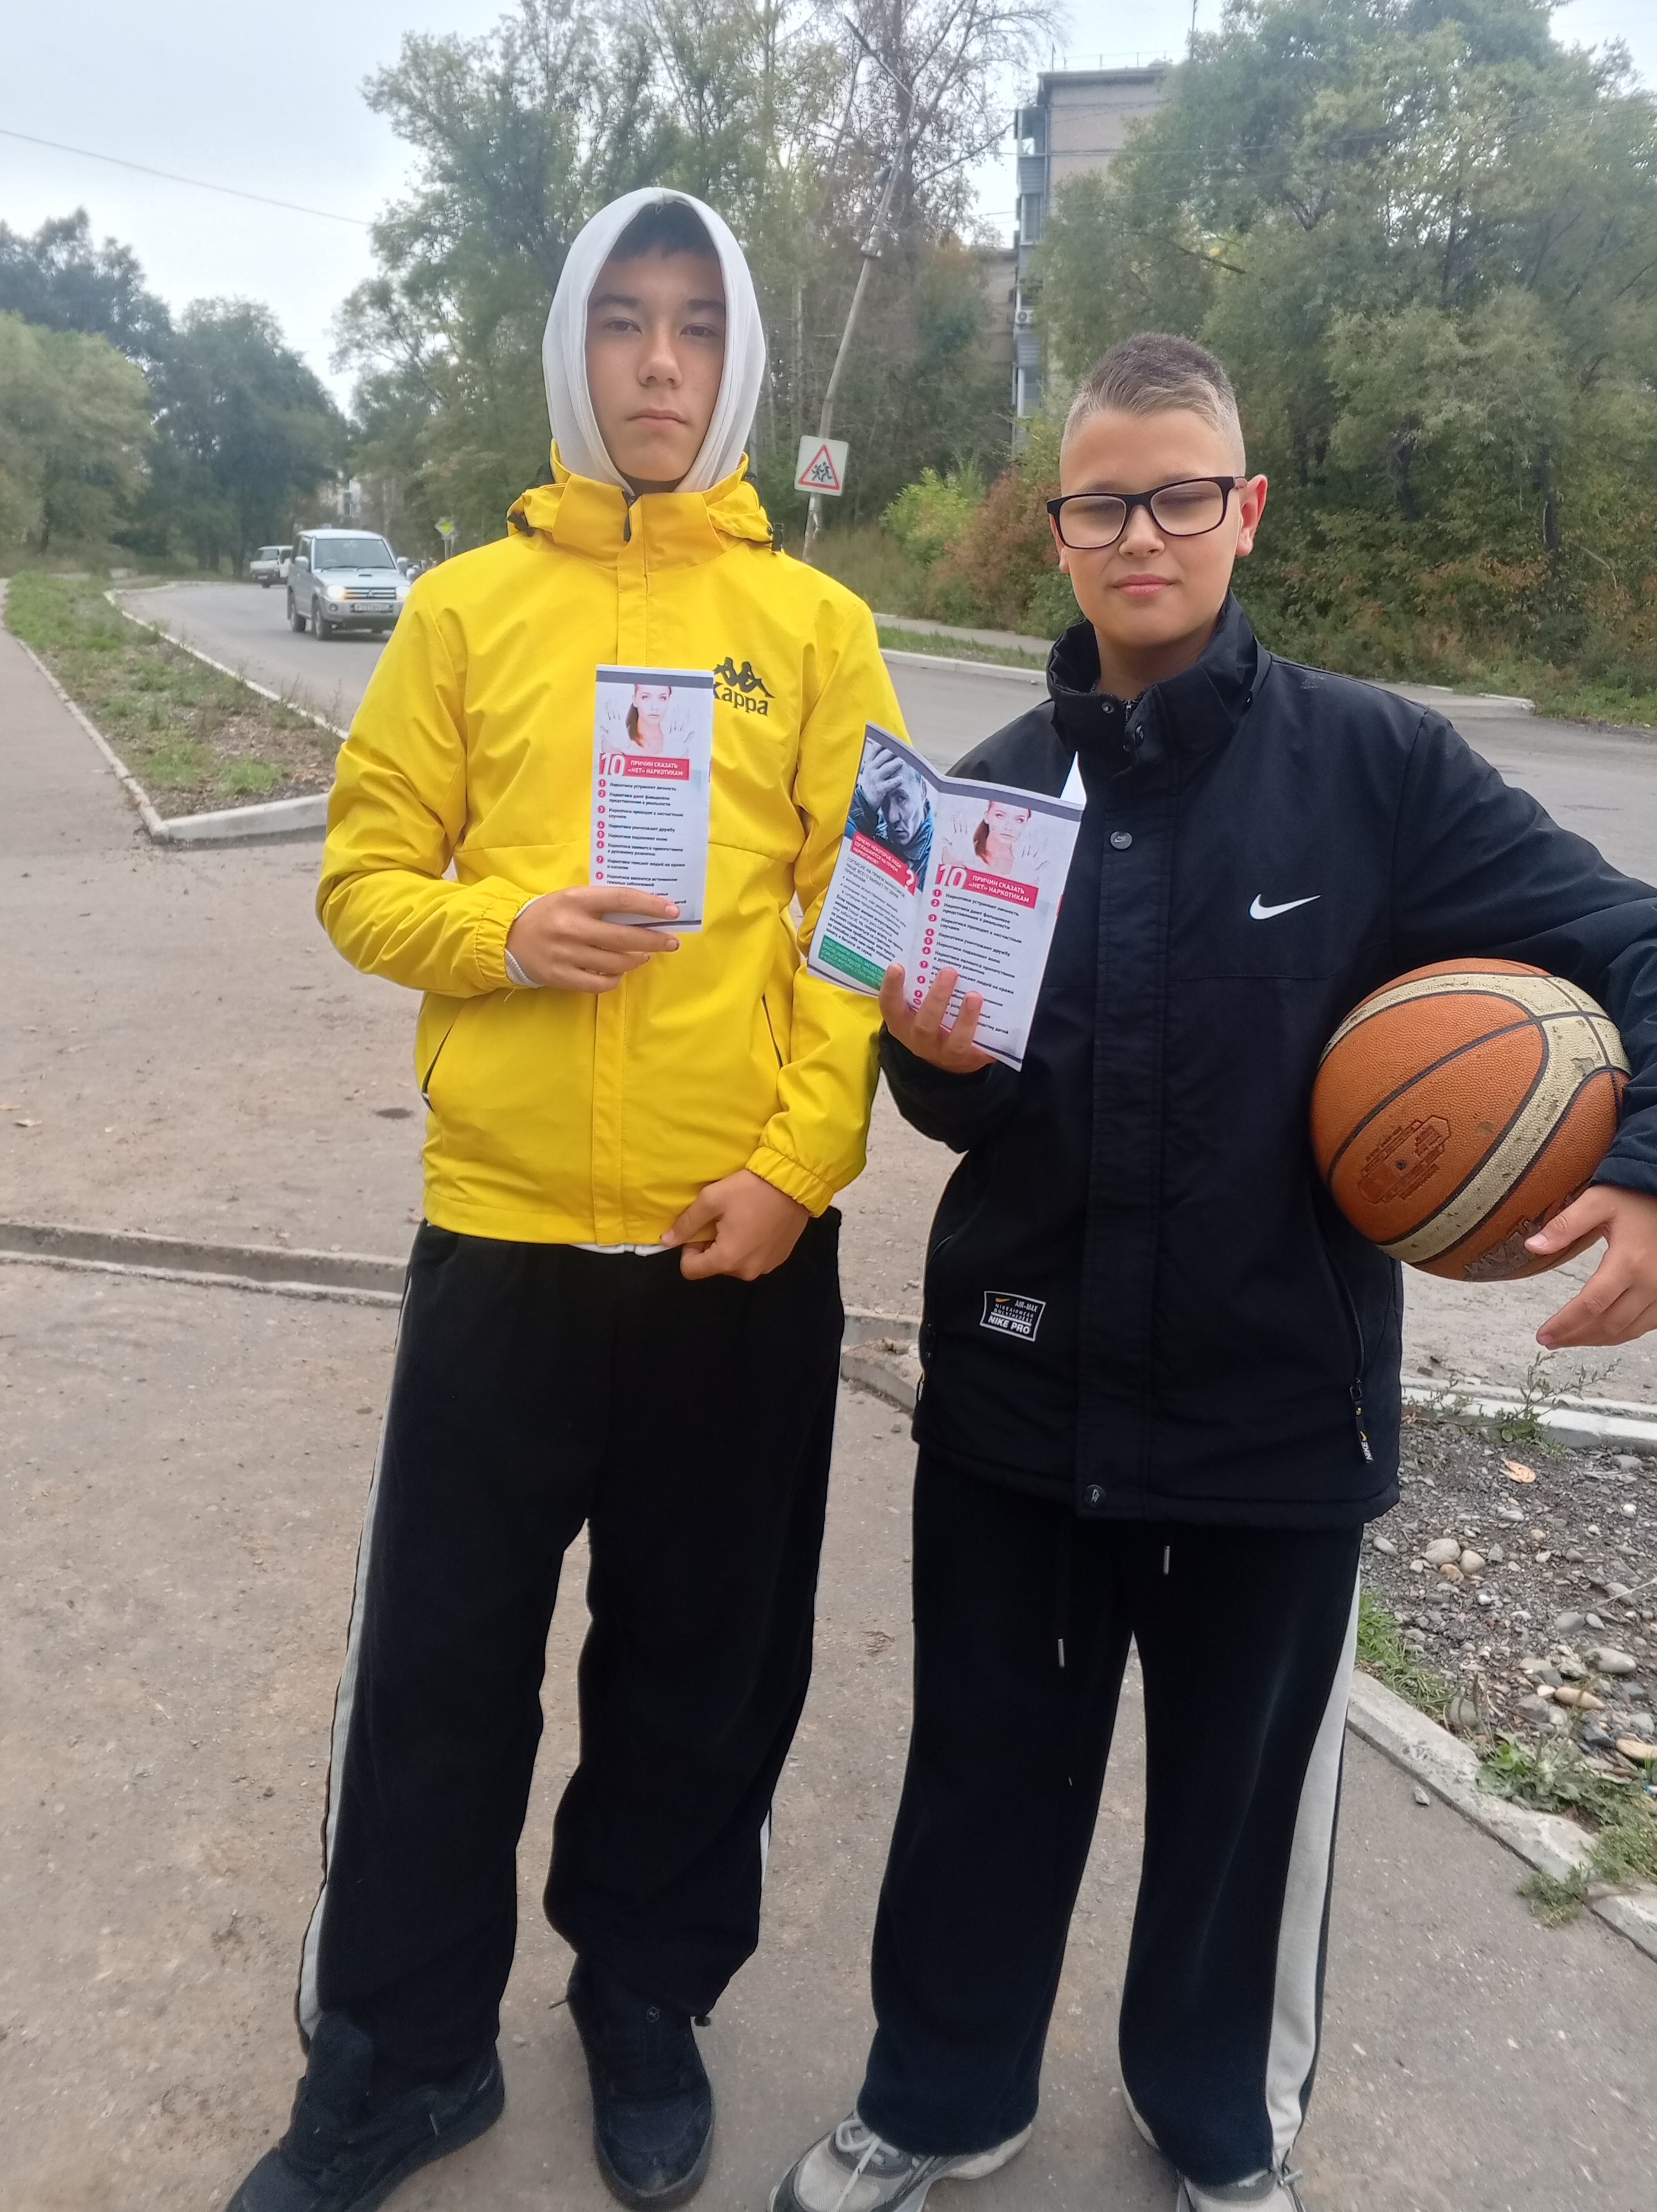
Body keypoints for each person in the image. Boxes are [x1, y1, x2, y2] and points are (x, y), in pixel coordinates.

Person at [772, 333, 1657, 2212]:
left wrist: (1642, 1169)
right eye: (1102, 502)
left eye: (1180, 495)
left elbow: (1632, 942)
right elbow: (961, 1110)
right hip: (1018, 1398)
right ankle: (938, 2095)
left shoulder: (1377, 770)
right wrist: (934, 1057)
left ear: (1243, 511)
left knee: (1239, 1819)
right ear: (1060, 532)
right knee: (982, 1777)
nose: (1141, 533)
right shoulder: (984, 799)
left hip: (1273, 1416)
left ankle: (1218, 2128)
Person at [226, 188, 903, 2212]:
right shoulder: (460, 613)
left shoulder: (814, 630)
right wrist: (503, 931)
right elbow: (361, 877)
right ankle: (400, 2056)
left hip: (732, 1251)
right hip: (504, 1237)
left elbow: (863, 924)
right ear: (568, 348)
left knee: (703, 1664)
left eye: (695, 324)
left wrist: (796, 1166)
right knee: (438, 1671)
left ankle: (641, 1996)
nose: (659, 362)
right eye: (622, 320)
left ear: (740, 358)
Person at [848, 743, 934, 884]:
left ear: (923, 790)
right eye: (885, 800)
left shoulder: (940, 856)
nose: (892, 817)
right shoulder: (873, 824)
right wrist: (864, 802)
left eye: (901, 799)